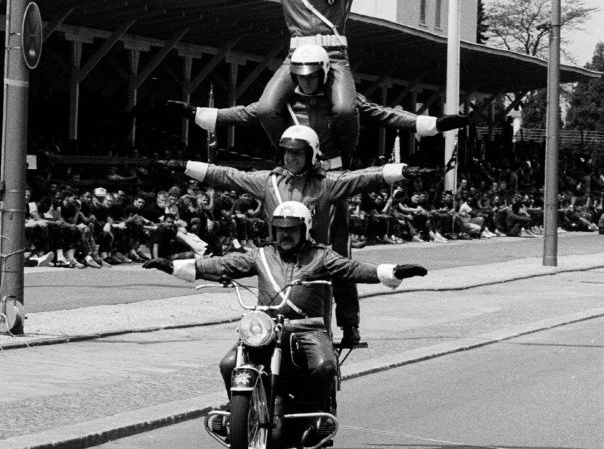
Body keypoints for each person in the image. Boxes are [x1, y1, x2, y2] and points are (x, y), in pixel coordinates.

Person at [143, 199, 427, 446]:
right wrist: (173, 265)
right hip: (265, 326)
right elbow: (223, 264)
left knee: (324, 366)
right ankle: (238, 410)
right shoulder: (262, 254)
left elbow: (353, 269)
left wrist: (392, 271)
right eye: (280, 230)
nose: (285, 235)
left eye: (291, 230)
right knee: (229, 363)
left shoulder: (321, 256)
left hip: (308, 327)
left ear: (304, 229)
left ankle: (314, 418)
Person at [176, 0, 450, 158]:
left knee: (345, 109)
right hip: (296, 56)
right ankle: (287, 151)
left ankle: (346, 155)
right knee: (267, 108)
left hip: (334, 56)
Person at [160, 123, 438, 347]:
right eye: (287, 152)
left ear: (312, 154)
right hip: (276, 253)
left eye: (298, 153)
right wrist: (186, 166)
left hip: (315, 256)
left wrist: (401, 171)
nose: (290, 158)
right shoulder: (268, 181)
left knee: (344, 273)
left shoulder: (326, 184)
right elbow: (229, 176)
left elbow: (363, 177)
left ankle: (349, 324)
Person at [172, 42, 469, 163]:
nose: (306, 81)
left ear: (325, 72)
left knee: (337, 237)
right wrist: (196, 112)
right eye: (300, 75)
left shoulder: (341, 100)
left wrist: (434, 123)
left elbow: (384, 115)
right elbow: (245, 113)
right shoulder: (284, 101)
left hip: (333, 168)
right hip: (296, 166)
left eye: (312, 75)